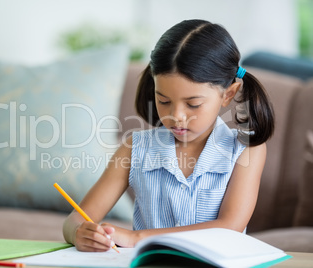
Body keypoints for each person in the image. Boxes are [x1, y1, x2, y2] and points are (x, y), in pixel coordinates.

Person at [62, 19, 275, 252]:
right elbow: (75, 220)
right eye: (163, 101)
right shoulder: (136, 147)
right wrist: (80, 233)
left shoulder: (246, 149)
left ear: (228, 94)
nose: (176, 116)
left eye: (193, 104)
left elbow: (229, 227)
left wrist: (137, 238)